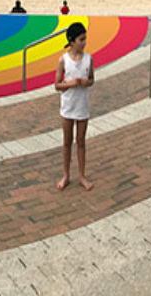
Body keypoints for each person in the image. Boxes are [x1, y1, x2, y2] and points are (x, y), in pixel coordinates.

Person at [54, 22, 94, 192]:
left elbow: (92, 79)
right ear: (72, 41)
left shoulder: (88, 59)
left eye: (85, 39)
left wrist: (86, 82)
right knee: (67, 142)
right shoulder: (63, 60)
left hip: (82, 106)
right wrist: (69, 83)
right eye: (81, 39)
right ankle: (66, 175)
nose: (84, 42)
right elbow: (57, 85)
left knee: (81, 142)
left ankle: (82, 176)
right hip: (68, 106)